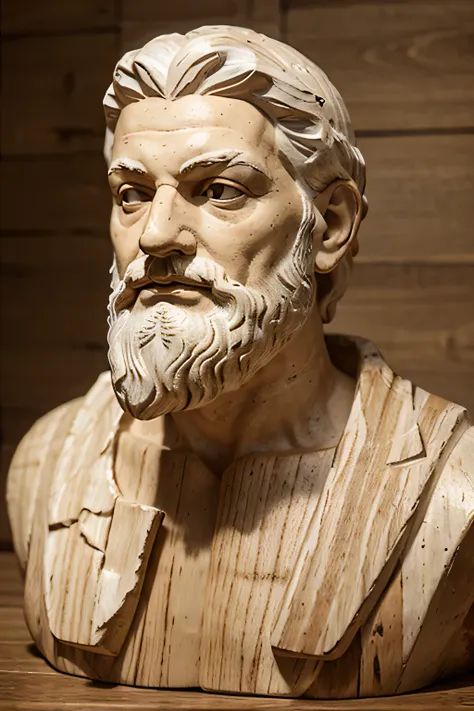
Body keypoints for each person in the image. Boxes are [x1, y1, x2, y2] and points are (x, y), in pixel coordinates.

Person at [7, 26, 473, 699]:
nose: (157, 235)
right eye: (132, 194)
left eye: (219, 190)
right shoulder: (44, 464)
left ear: (331, 224)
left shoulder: (455, 491)